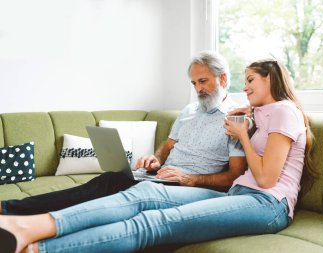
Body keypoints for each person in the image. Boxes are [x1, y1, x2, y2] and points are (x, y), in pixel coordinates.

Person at [0, 59, 317, 253]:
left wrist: (242, 137)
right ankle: (26, 226)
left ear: (271, 79)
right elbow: (172, 149)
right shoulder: (256, 114)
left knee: (155, 221)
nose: (244, 86)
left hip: (267, 205)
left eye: (250, 79)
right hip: (239, 193)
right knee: (143, 191)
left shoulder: (286, 112)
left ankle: (40, 248)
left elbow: (265, 178)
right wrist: (246, 121)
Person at [0, 51, 246, 215]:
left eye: (203, 81)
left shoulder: (236, 118)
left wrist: (190, 179)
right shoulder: (189, 110)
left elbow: (233, 176)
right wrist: (156, 158)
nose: (198, 89)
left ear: (222, 78)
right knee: (105, 182)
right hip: (160, 176)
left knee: (109, 198)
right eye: (194, 83)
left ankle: (20, 217)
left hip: (188, 186)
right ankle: (11, 209)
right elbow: (169, 145)